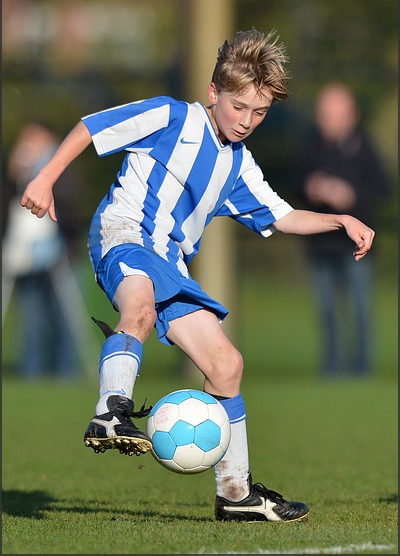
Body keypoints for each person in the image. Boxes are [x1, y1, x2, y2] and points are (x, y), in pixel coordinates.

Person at [20, 29, 375, 522]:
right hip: (123, 235)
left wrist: (341, 220)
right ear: (214, 93)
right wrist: (45, 176)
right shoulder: (172, 116)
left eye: (260, 112)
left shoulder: (239, 165)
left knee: (227, 366)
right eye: (238, 107)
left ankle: (235, 495)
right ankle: (110, 410)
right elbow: (93, 127)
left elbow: (283, 215)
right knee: (138, 310)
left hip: (170, 263)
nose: (247, 121)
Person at [294, 84, 389, 377]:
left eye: (337, 115)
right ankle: (332, 370)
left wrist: (350, 196)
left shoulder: (365, 147)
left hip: (356, 247)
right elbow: (290, 187)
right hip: (320, 246)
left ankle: (362, 370)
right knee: (328, 312)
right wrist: (311, 188)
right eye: (325, 115)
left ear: (352, 116)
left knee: (360, 309)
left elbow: (384, 188)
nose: (331, 122)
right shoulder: (309, 147)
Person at [2, 122, 83, 379]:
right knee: (33, 321)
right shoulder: (17, 173)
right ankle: (32, 373)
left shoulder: (62, 167)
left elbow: (71, 206)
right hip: (26, 258)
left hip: (63, 255)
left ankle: (65, 374)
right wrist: (16, 176)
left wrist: (44, 178)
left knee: (65, 320)